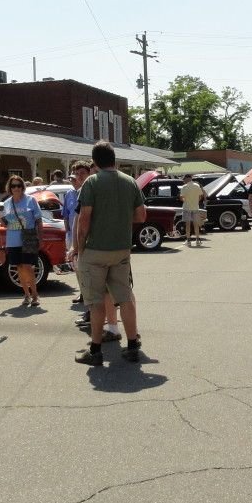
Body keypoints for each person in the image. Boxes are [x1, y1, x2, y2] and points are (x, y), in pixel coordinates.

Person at [74, 141, 146, 365]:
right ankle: (132, 345)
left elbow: (84, 220)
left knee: (95, 302)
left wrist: (79, 248)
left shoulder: (91, 183)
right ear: (114, 158)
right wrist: (120, 219)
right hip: (121, 249)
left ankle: (95, 351)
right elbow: (141, 216)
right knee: (125, 298)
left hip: (96, 250)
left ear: (94, 161)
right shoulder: (130, 182)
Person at [0, 176, 42, 307]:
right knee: (19, 268)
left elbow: (38, 220)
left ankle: (35, 295)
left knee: (28, 267)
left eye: (19, 185)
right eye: (13, 186)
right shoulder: (6, 203)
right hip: (13, 240)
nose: (16, 188)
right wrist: (1, 217)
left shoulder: (31, 200)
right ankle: (26, 295)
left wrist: (40, 237)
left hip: (28, 238)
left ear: (23, 187)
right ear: (10, 188)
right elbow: (5, 223)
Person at [179, 176, 206, 246]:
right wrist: (196, 201)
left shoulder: (184, 187)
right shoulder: (197, 186)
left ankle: (188, 241)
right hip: (195, 207)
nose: (183, 181)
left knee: (187, 225)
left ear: (187, 179)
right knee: (196, 224)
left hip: (186, 207)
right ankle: (197, 240)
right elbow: (200, 196)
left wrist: (186, 201)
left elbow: (181, 198)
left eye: (184, 179)